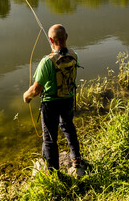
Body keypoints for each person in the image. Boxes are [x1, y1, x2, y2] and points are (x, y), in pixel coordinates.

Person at [23, 24, 86, 177]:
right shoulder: (74, 55)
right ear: (66, 37)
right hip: (68, 99)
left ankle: (52, 172)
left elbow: (36, 90)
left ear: (51, 39)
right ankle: (76, 159)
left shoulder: (47, 62)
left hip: (51, 103)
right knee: (68, 126)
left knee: (50, 138)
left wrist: (26, 96)